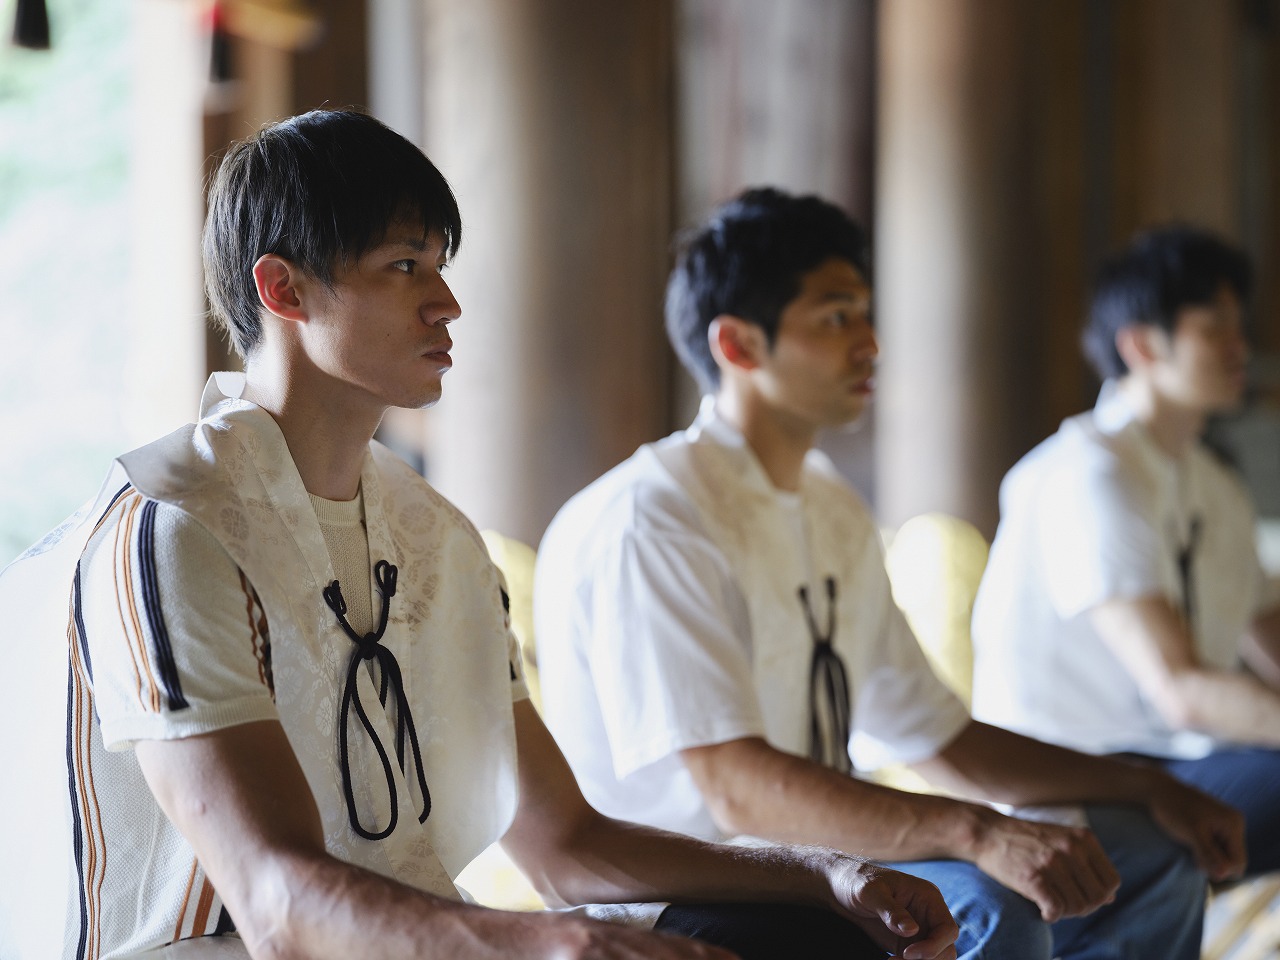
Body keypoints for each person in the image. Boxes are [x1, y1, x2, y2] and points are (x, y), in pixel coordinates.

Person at [0, 112, 959, 960]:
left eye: (441, 267)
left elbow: (565, 845)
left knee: (810, 934)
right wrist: (545, 944)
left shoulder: (434, 533)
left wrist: (827, 876)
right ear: (284, 291)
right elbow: (276, 906)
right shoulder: (175, 524)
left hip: (410, 930)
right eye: (404, 267)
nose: (447, 303)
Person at [533, 188, 1248, 960]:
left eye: (867, 314)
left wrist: (1150, 788)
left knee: (1151, 857)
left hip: (827, 862)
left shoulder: (830, 506)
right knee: (994, 903)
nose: (870, 342)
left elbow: (938, 736)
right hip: (687, 885)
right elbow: (731, 787)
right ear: (739, 345)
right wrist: (974, 831)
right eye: (836, 317)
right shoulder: (654, 517)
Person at [970, 224, 1280, 876]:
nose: (1239, 346)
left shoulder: (1212, 483)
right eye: (1214, 327)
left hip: (1170, 762)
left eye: (1238, 326)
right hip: (1077, 779)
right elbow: (1182, 693)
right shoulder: (1090, 472)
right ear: (1141, 344)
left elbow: (1269, 629)